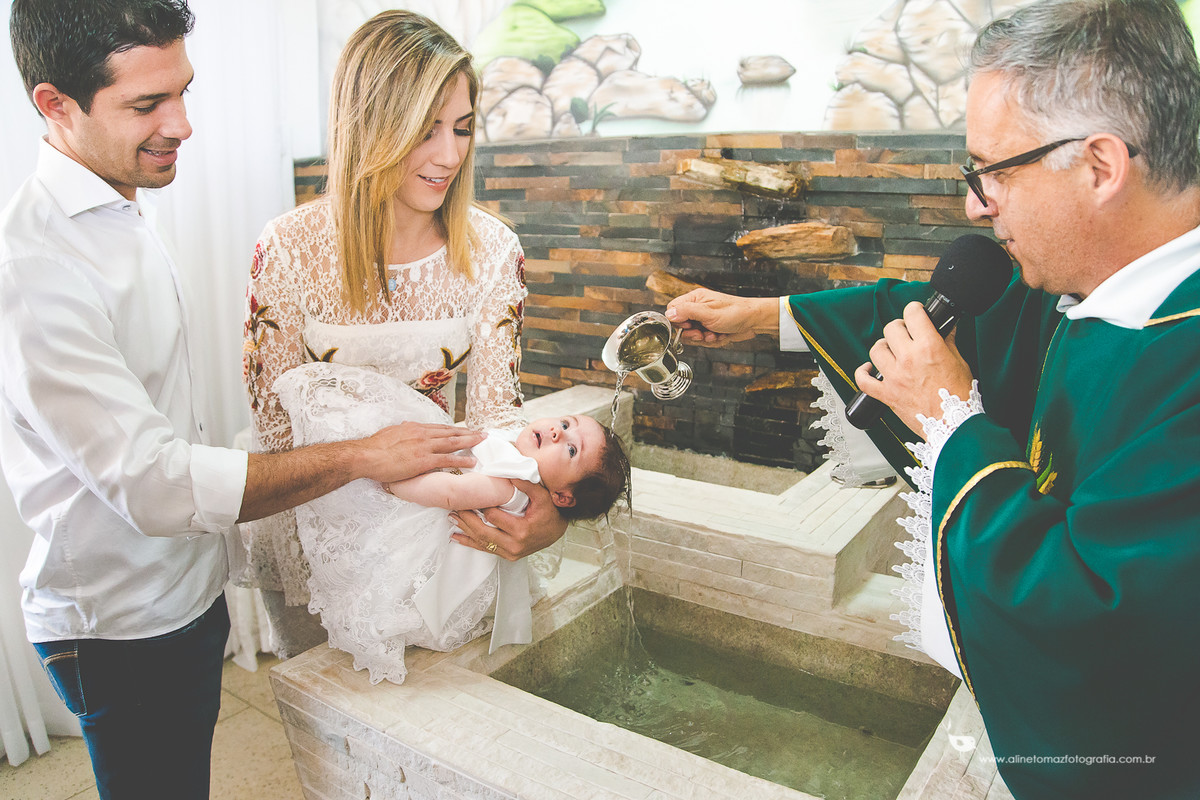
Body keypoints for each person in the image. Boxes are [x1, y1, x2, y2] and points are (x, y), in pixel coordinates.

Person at [665, 1, 1200, 797]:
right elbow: (947, 312)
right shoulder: (1094, 285)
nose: (976, 205)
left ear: (1100, 166)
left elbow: (1098, 627)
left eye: (993, 172)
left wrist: (954, 423)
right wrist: (760, 316)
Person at [0, 1, 495, 798]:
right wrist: (365, 456)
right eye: (147, 105)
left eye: (183, 92)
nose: (184, 125)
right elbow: (155, 484)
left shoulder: (118, 205)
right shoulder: (33, 266)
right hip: (121, 623)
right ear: (55, 106)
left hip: (188, 591)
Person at [242, 9, 568, 659]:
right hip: (317, 539)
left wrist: (542, 511)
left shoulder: (495, 251)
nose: (449, 155)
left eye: (463, 129)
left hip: (442, 530)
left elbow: (496, 419)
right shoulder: (287, 249)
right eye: (426, 130)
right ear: (368, 125)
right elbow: (274, 437)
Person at [272, 361, 629, 684]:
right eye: (566, 424)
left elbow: (450, 494)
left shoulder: (512, 483)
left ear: (563, 498)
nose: (557, 433)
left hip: (431, 526)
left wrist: (394, 484)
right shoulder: (518, 458)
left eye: (570, 449)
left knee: (385, 570)